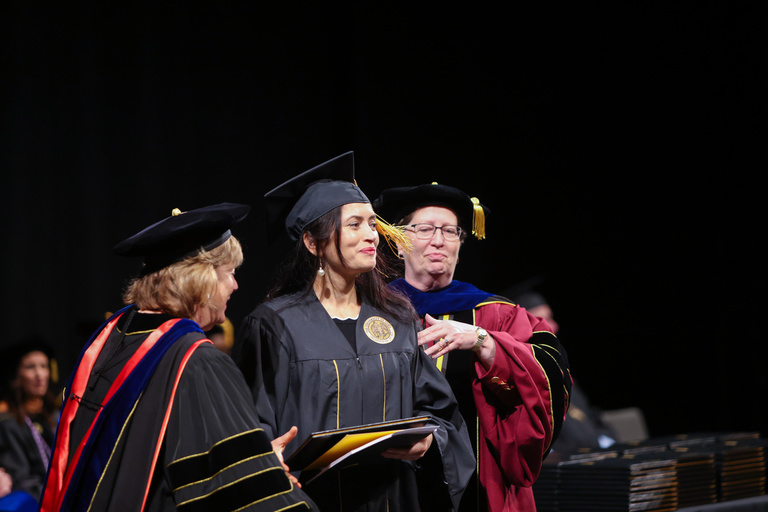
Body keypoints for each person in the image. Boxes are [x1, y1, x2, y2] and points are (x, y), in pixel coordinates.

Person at [232, 152, 475, 511]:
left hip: (392, 498)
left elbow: (440, 411)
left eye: (373, 224)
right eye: (355, 225)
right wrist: (268, 461)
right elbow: (252, 423)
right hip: (309, 500)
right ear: (314, 244)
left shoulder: (398, 318)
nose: (372, 236)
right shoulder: (275, 324)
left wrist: (430, 439)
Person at [39, 203, 316, 512]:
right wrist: (267, 472)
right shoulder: (198, 362)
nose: (235, 286)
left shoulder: (111, 338)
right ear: (202, 281)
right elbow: (237, 490)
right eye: (230, 274)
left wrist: (257, 458)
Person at [372, 183, 572, 512]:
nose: (438, 240)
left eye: (451, 231)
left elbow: (550, 370)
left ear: (461, 244)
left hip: (481, 482)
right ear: (398, 241)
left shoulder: (497, 313)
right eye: (424, 229)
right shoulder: (372, 311)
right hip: (391, 480)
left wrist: (484, 341)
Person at [0, 339, 57, 504]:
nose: (39, 374)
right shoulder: (8, 422)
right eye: (30, 367)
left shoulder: (52, 417)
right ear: (16, 375)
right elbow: (22, 480)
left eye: (44, 366)